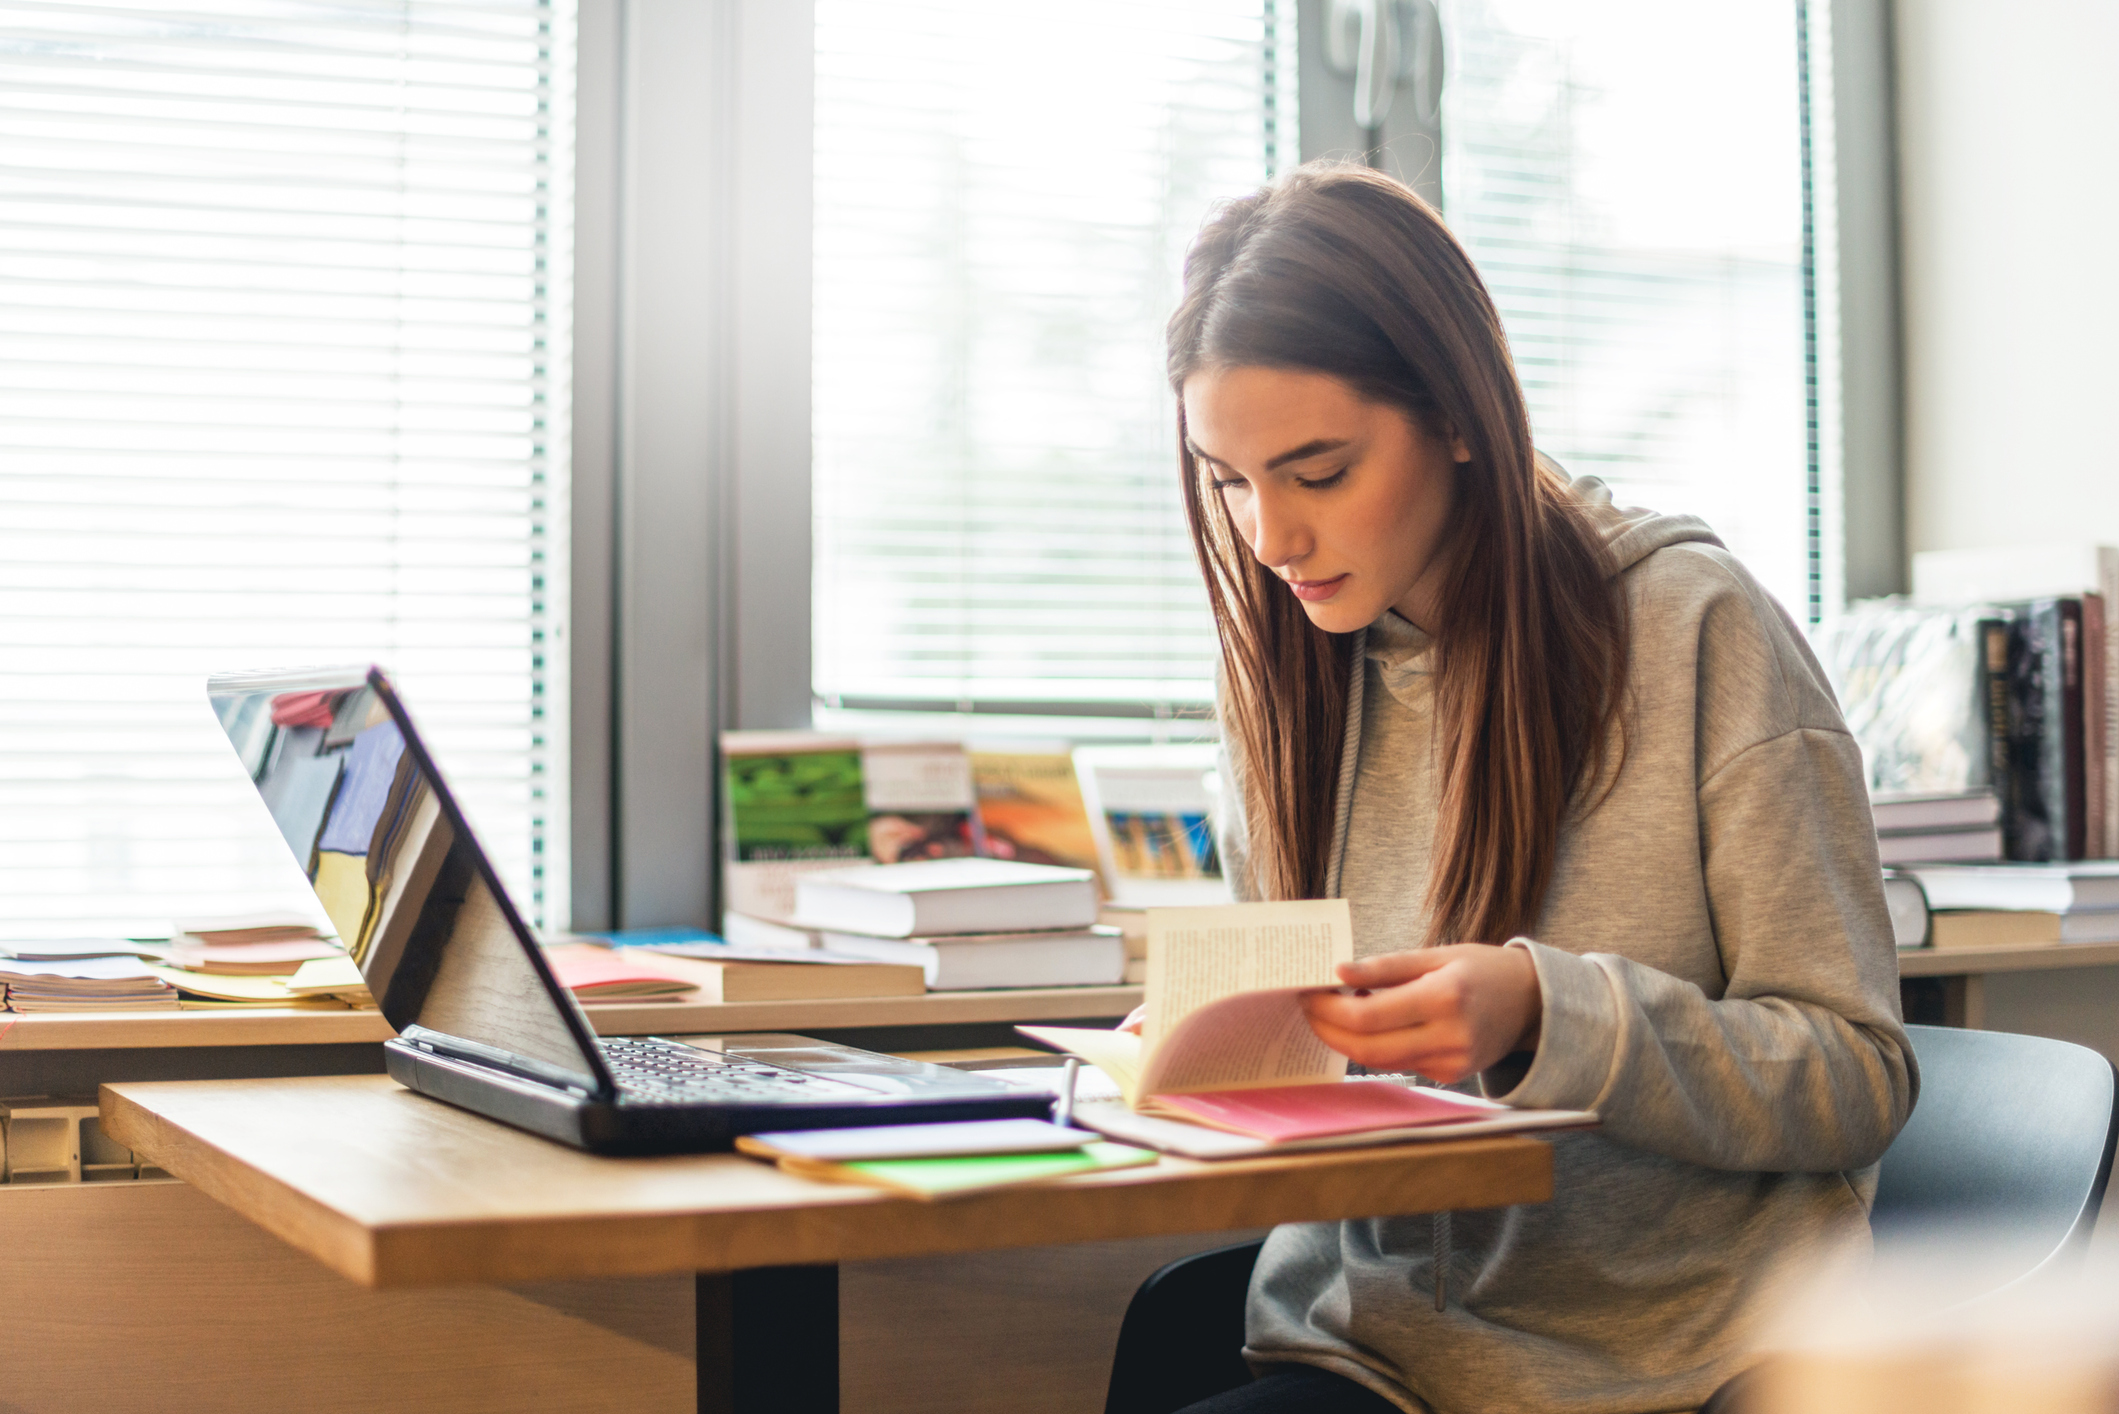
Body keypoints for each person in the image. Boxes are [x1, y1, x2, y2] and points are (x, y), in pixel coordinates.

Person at [1154, 163, 1916, 1413]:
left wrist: (1550, 1017)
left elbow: (1854, 1076)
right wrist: (1218, 1062)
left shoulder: (1694, 632)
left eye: (1319, 471)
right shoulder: (1284, 683)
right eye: (1229, 481)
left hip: (1695, 1365)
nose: (1269, 537)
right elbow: (1316, 1089)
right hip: (1372, 1355)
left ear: (1458, 415)